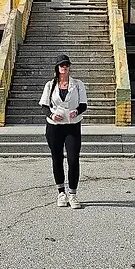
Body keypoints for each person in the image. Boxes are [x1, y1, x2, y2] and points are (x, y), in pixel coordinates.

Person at [39, 54, 88, 209]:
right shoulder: (50, 85)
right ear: (57, 67)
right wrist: (52, 115)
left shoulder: (78, 84)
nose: (64, 67)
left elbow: (84, 104)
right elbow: (44, 106)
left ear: (69, 67)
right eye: (61, 65)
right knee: (57, 158)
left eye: (66, 64)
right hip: (54, 126)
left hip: (72, 125)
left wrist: (76, 112)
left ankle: (72, 194)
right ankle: (61, 192)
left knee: (73, 160)